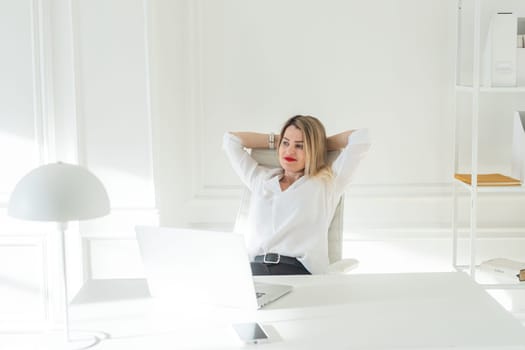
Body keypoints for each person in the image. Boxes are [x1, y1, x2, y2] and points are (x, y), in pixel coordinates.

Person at [222, 115, 370, 275]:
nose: (289, 151)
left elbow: (360, 138)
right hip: (254, 271)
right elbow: (231, 140)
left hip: (297, 273)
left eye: (300, 146)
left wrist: (318, 143)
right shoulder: (261, 179)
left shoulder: (326, 184)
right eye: (285, 143)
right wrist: (278, 140)